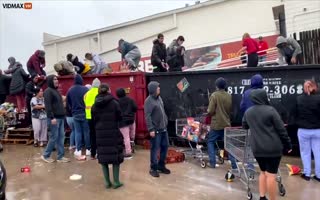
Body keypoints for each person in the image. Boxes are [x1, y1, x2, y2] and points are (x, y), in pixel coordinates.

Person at [243, 89, 292, 200]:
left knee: (263, 172)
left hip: (257, 149)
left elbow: (245, 126)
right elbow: (281, 130)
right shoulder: (271, 110)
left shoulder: (248, 112)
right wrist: (288, 145)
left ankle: (262, 197)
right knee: (271, 175)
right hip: (273, 148)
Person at [91, 84, 124, 189]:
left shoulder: (94, 105)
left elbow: (93, 120)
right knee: (115, 157)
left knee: (103, 157)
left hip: (100, 133)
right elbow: (119, 117)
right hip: (113, 132)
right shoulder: (114, 103)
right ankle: (116, 182)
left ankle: (107, 182)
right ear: (109, 90)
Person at [291, 80, 320, 182]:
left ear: (304, 88)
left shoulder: (299, 99)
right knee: (318, 153)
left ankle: (307, 174)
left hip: (303, 130)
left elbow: (293, 114)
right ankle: (318, 175)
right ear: (314, 87)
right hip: (317, 130)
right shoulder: (318, 99)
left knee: (305, 153)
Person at [207, 77, 237, 169]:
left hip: (216, 125)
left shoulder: (214, 95)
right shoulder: (229, 95)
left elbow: (210, 111)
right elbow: (229, 109)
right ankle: (234, 166)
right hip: (226, 124)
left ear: (216, 86)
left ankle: (212, 163)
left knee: (210, 141)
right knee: (228, 145)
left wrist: (208, 110)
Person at [41, 75, 70, 163]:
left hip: (61, 118)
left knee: (61, 137)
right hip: (54, 119)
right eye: (54, 79)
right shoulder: (48, 91)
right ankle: (46, 155)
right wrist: (52, 117)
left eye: (57, 79)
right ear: (50, 81)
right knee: (53, 137)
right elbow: (48, 106)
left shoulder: (56, 91)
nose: (56, 80)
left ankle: (60, 157)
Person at [144, 81, 170, 177]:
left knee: (165, 146)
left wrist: (165, 121)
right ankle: (153, 168)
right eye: (158, 88)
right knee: (155, 149)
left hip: (163, 128)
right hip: (156, 130)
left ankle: (161, 165)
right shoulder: (148, 101)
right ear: (153, 90)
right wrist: (151, 129)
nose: (159, 89)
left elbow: (162, 111)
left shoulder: (159, 98)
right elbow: (147, 116)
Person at [67, 74, 90, 158]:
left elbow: (68, 103)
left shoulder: (70, 90)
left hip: (75, 113)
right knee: (86, 131)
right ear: (81, 80)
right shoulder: (86, 89)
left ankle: (78, 150)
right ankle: (88, 150)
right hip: (85, 112)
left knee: (78, 132)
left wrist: (72, 109)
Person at [116, 88, 138, 159]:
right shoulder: (130, 100)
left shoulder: (117, 102)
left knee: (126, 137)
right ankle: (132, 147)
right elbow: (135, 108)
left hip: (122, 122)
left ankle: (128, 152)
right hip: (131, 120)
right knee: (132, 135)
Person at [84, 78, 101, 159]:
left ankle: (93, 154)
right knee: (99, 135)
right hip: (98, 117)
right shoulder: (100, 92)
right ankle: (99, 152)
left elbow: (85, 102)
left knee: (92, 135)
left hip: (89, 117)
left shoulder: (87, 93)